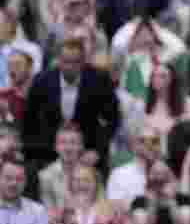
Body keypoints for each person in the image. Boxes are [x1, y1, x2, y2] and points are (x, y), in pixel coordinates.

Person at [22, 38, 120, 167]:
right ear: (58, 60)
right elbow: (29, 120)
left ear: (83, 62)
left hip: (88, 153)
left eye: (75, 62)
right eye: (65, 62)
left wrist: (98, 151)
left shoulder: (99, 81)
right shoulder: (42, 81)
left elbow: (113, 119)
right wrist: (36, 153)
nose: (69, 67)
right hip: (48, 154)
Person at [0, 151, 48, 224]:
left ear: (25, 182)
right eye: (8, 178)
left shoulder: (38, 212)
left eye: (19, 179)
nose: (13, 183)